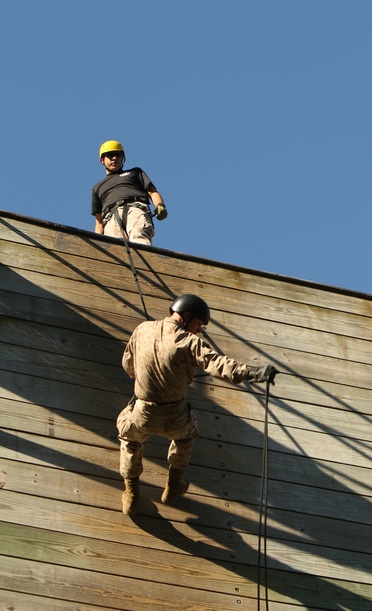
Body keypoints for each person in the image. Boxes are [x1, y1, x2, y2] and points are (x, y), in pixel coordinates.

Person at [115, 294, 279, 516]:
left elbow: (128, 366)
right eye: (199, 324)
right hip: (174, 415)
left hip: (142, 411)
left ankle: (131, 492)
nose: (199, 330)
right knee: (185, 436)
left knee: (130, 441)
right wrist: (253, 372)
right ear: (186, 316)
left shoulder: (142, 329)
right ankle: (173, 485)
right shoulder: (190, 342)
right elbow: (218, 364)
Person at [91, 140, 168, 245]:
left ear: (123, 158)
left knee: (139, 240)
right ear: (102, 160)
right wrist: (98, 241)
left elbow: (152, 192)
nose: (114, 158)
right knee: (115, 250)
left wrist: (160, 205)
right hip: (111, 218)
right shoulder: (97, 187)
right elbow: (99, 221)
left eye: (118, 155)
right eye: (110, 155)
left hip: (135, 209)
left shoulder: (135, 173)